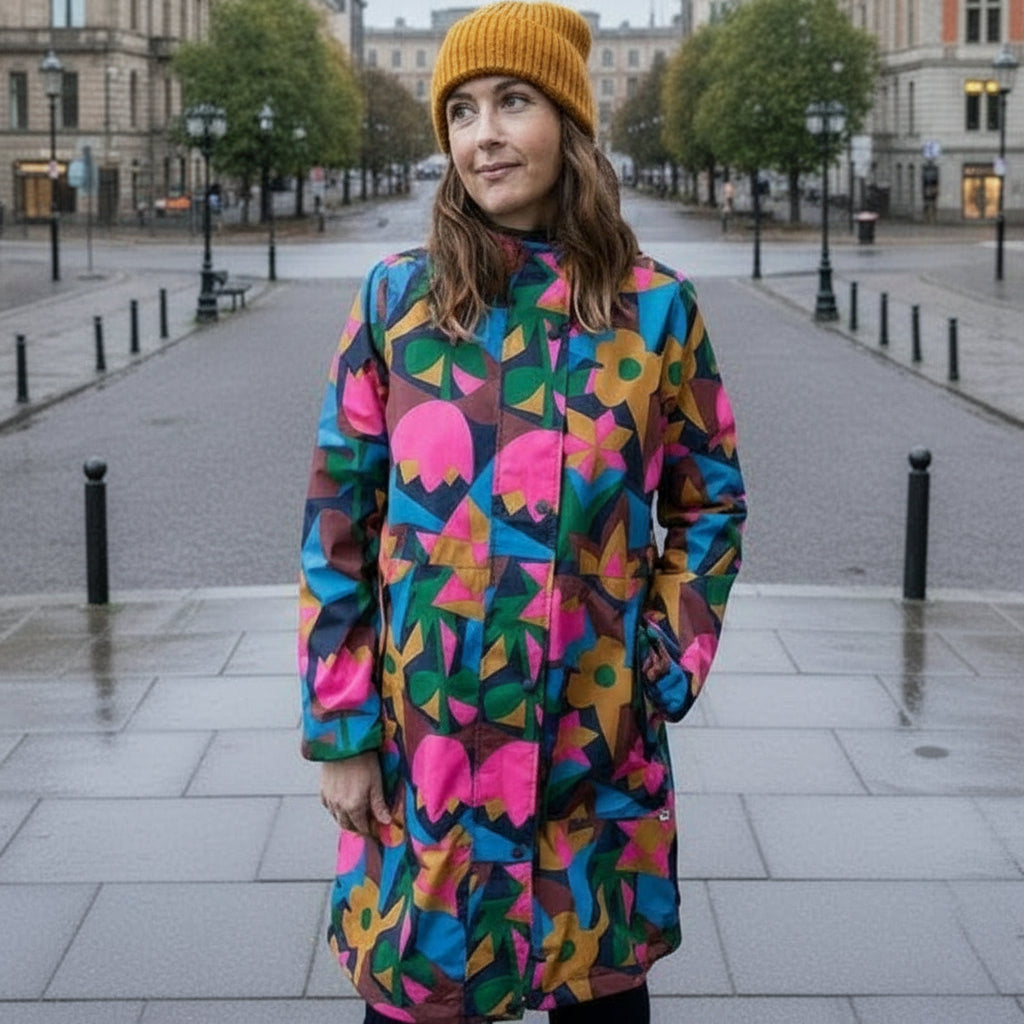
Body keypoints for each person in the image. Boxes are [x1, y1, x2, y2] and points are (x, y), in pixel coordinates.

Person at [298, 3, 746, 1022]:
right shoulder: (396, 304)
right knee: (421, 997)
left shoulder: (656, 310)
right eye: (460, 111)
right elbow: (337, 521)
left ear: (569, 123)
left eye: (512, 102)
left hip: (592, 750)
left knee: (598, 994)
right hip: (429, 751)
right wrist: (342, 728)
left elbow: (710, 500)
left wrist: (660, 664)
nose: (483, 135)